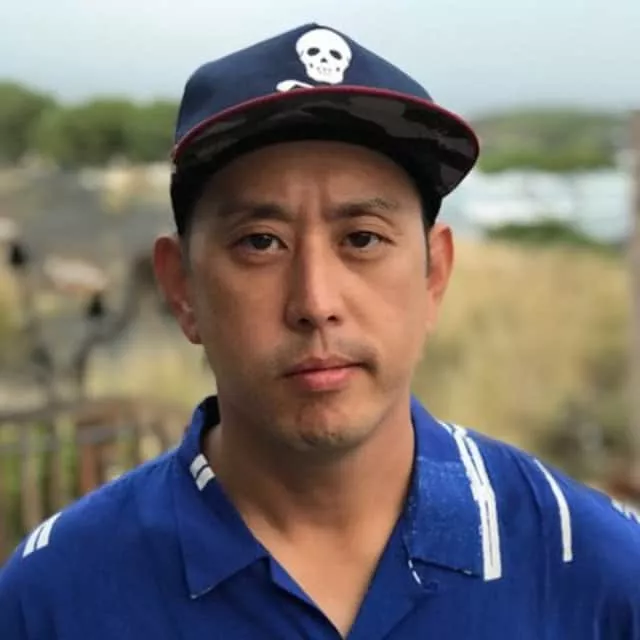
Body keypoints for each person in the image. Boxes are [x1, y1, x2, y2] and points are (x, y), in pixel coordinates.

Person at [1, 22, 639, 640]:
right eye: (260, 242)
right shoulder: (54, 598)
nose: (315, 302)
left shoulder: (595, 570)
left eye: (362, 238)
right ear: (182, 288)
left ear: (433, 275)